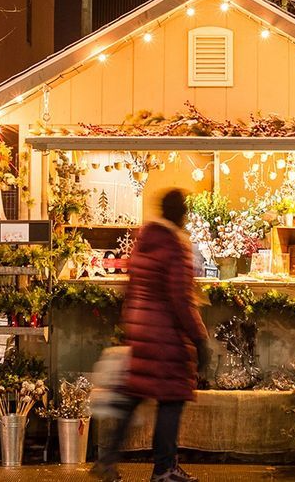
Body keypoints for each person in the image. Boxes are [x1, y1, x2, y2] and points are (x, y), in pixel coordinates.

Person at [91, 189, 210, 482]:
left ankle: (107, 459)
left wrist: (129, 326)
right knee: (171, 398)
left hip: (141, 331)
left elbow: (131, 289)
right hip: (166, 336)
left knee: (133, 394)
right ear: (180, 213)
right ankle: (164, 468)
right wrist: (200, 338)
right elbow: (181, 299)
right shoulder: (175, 246)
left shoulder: (144, 241)